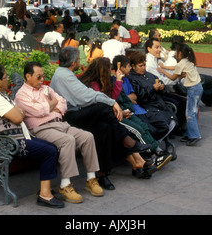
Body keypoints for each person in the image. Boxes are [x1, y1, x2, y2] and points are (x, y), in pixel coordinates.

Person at [50, 47, 152, 190]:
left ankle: (102, 173)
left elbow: (87, 95)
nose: (80, 61)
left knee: (105, 127)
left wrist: (112, 103)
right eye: (79, 59)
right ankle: (127, 141)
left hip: (78, 113)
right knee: (104, 107)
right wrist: (112, 103)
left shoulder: (65, 73)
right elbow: (85, 96)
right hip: (70, 117)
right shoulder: (64, 76)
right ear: (73, 63)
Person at [15, 62, 104, 204]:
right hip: (41, 129)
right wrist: (52, 104)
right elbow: (38, 111)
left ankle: (91, 178)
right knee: (67, 140)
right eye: (38, 77)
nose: (42, 80)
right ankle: (65, 185)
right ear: (28, 76)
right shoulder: (21, 95)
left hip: (60, 124)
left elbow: (63, 102)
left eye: (43, 76)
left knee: (87, 136)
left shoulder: (46, 88)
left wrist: (52, 105)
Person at [0, 64, 64, 208]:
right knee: (49, 151)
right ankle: (44, 195)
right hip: (8, 143)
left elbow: (19, 112)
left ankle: (46, 189)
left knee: (51, 146)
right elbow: (18, 117)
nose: (8, 80)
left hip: (16, 138)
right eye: (5, 77)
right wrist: (18, 112)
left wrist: (19, 112)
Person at [80, 56, 172, 177]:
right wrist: (118, 83)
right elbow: (107, 101)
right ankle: (152, 154)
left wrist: (125, 107)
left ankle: (143, 162)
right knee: (135, 130)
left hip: (119, 112)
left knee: (141, 126)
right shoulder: (95, 85)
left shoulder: (109, 81)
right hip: (110, 116)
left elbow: (118, 98)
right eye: (108, 69)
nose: (110, 71)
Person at [165, 35, 212, 112]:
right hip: (187, 80)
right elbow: (176, 74)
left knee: (205, 80)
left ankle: (209, 101)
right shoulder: (178, 56)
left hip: (185, 78)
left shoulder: (172, 56)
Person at [127, 51, 178, 148]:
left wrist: (162, 87)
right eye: (140, 66)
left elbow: (161, 86)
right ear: (133, 66)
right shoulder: (131, 78)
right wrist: (152, 89)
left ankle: (156, 143)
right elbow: (139, 96)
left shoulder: (149, 75)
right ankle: (154, 145)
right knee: (164, 125)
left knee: (173, 121)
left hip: (159, 105)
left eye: (144, 65)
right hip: (147, 107)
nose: (143, 68)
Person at [157, 44, 203, 146]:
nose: (175, 54)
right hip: (197, 88)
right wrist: (164, 66)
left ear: (180, 53)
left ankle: (195, 135)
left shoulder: (182, 63)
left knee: (190, 114)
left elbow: (173, 78)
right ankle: (189, 134)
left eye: (177, 52)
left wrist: (162, 70)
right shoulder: (185, 62)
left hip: (193, 89)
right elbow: (175, 67)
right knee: (191, 112)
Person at [145, 38, 187, 133]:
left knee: (183, 101)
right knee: (177, 103)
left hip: (163, 90)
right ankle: (175, 129)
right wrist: (177, 78)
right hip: (154, 94)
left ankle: (179, 127)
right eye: (156, 47)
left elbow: (165, 74)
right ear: (149, 49)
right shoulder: (149, 64)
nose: (159, 50)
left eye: (160, 47)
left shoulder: (157, 60)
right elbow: (162, 80)